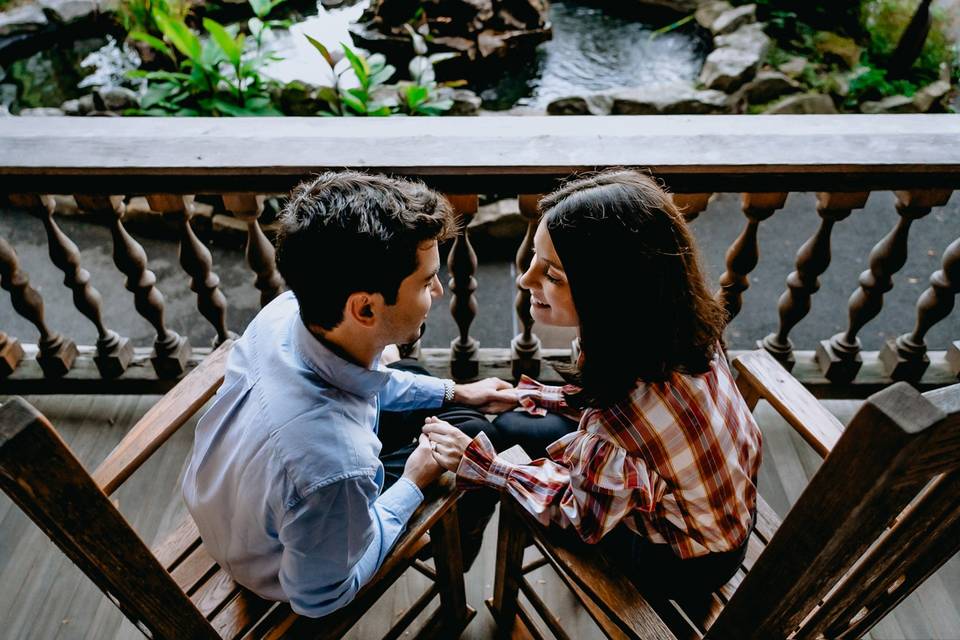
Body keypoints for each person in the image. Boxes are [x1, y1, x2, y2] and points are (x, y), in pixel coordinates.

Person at [181, 171, 516, 618]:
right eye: (426, 280)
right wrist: (415, 483)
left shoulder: (285, 314)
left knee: (437, 394)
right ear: (364, 308)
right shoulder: (338, 469)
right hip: (276, 561)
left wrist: (456, 391)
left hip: (225, 498)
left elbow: (363, 380)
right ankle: (443, 557)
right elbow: (321, 598)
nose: (439, 289)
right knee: (471, 451)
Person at [424, 169, 763, 598]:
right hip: (726, 511)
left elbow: (577, 516)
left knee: (488, 446)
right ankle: (465, 529)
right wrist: (529, 395)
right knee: (508, 425)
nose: (526, 280)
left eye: (553, 275)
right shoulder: (681, 327)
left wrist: (486, 467)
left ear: (609, 292)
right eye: (533, 258)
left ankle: (456, 546)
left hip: (683, 563)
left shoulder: (611, 433)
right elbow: (615, 406)